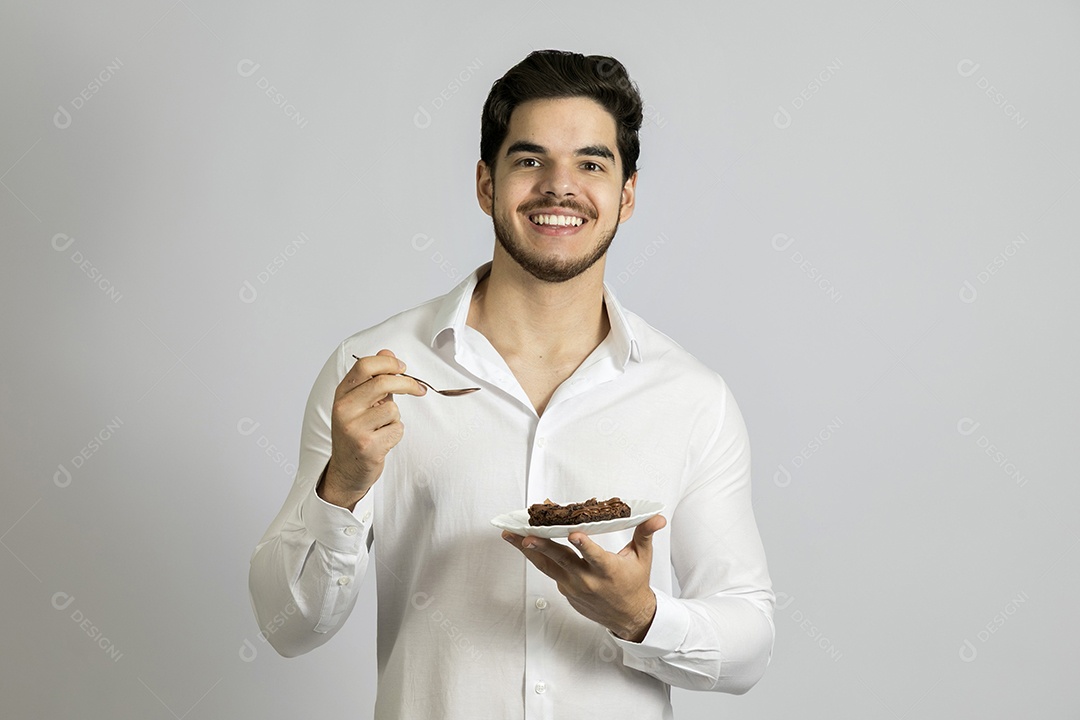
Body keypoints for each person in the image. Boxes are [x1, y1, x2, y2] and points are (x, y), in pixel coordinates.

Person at [249, 49, 774, 719]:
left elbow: (750, 643)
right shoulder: (376, 372)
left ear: (627, 195)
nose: (560, 187)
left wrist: (642, 616)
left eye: (591, 163)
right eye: (530, 161)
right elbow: (286, 625)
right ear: (485, 185)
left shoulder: (692, 398)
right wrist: (342, 488)